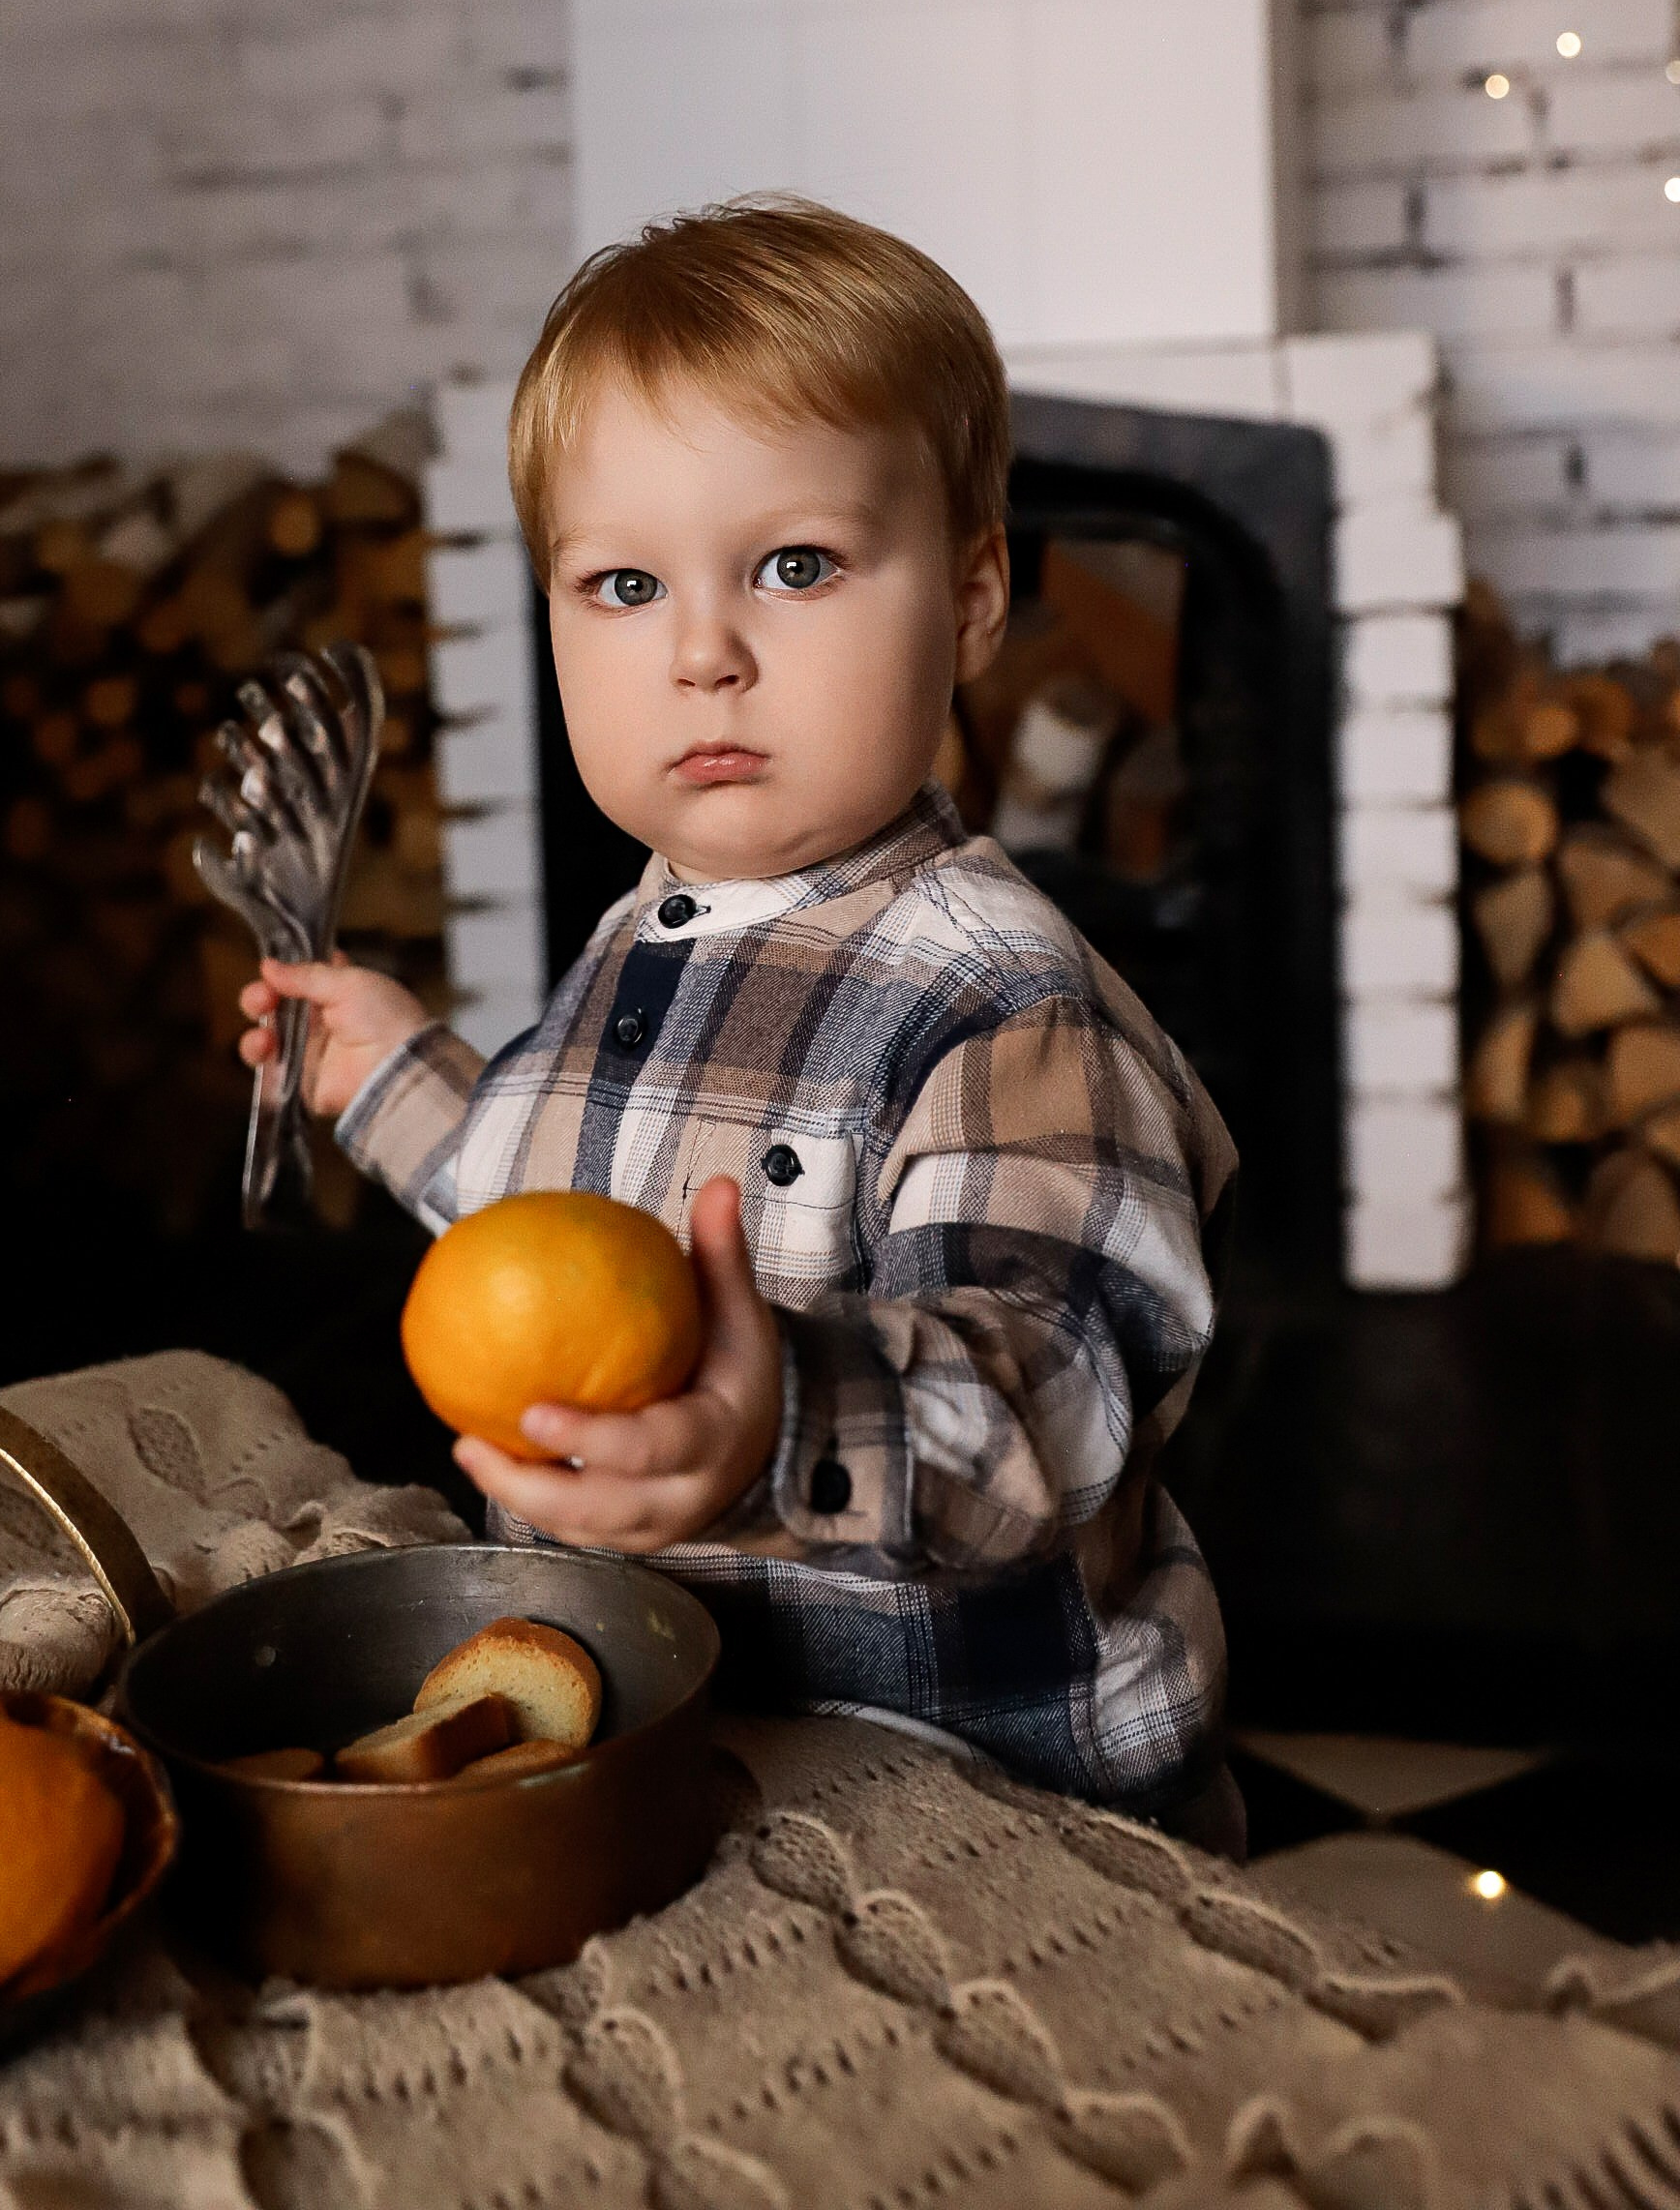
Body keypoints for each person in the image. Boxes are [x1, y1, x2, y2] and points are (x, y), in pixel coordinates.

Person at [240, 196, 1239, 1837]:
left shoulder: (1002, 995)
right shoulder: (650, 934)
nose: (704, 652)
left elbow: (1060, 1391)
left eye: (795, 566)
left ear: (976, 599)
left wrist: (790, 1419)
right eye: (624, 584)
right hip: (689, 1759)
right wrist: (388, 1078)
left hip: (986, 1813)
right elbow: (568, 1234)